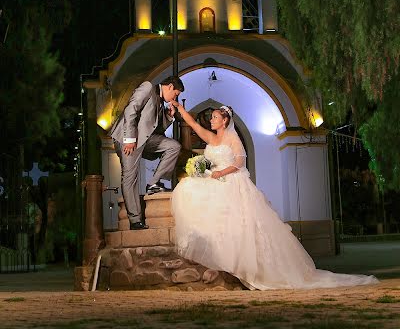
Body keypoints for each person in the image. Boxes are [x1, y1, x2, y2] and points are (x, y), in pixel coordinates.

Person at [170, 103, 378, 290]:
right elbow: (193, 124)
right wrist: (179, 108)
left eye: (215, 117)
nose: (211, 120)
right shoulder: (211, 138)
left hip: (231, 181)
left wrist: (219, 173)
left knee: (239, 223)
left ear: (225, 121)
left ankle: (245, 265)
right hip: (216, 179)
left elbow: (240, 163)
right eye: (212, 118)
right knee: (189, 189)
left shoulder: (233, 139)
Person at [110, 76, 184, 230]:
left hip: (144, 139)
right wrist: (129, 138)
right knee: (130, 176)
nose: (175, 97)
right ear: (169, 86)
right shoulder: (148, 87)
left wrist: (169, 115)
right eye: (176, 94)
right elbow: (131, 110)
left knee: (173, 146)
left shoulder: (161, 102)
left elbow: (156, 129)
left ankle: (154, 183)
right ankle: (135, 220)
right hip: (127, 137)